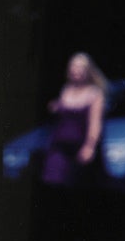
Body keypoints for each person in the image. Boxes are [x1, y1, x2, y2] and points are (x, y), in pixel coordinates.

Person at [42, 52, 108, 188]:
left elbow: (95, 123)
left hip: (80, 149)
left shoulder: (95, 93)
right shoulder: (66, 89)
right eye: (73, 67)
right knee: (52, 180)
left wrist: (89, 146)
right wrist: (56, 106)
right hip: (59, 146)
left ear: (87, 71)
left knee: (78, 186)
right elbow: (64, 113)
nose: (76, 70)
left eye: (80, 67)